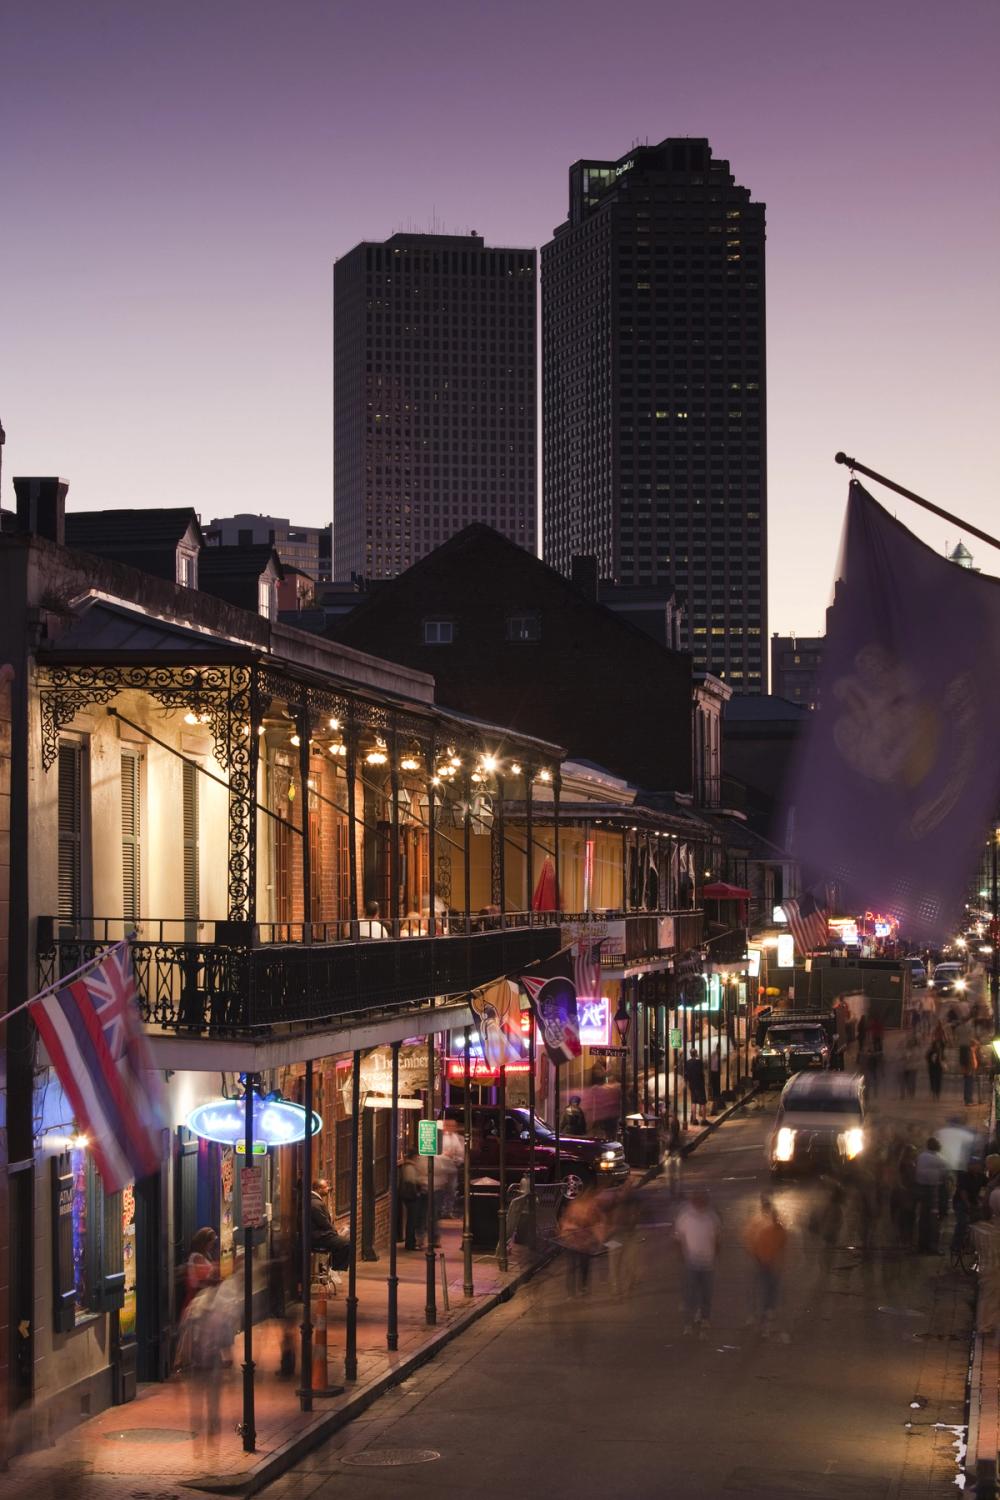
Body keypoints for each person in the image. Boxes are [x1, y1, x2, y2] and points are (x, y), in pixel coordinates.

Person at [743, 1195, 789, 1340]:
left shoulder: (776, 1229)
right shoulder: (761, 1226)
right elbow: (751, 1241)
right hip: (763, 1264)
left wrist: (778, 1262)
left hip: (770, 1265)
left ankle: (765, 1318)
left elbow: (782, 1247)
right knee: (763, 1291)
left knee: (768, 1292)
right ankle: (763, 1318)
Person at [675, 1189, 721, 1335]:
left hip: (707, 1264)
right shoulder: (685, 1216)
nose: (700, 1202)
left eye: (703, 1199)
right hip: (692, 1263)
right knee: (691, 1295)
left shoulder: (711, 1217)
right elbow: (678, 1237)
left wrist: (714, 1256)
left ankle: (705, 1318)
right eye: (697, 1199)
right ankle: (688, 1323)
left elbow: (718, 1238)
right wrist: (682, 1255)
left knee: (706, 1294)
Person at [560, 1185, 602, 1297]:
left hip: (583, 1243)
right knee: (574, 1268)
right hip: (574, 1242)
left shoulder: (590, 1208)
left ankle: (580, 1288)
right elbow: (567, 1222)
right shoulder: (575, 1207)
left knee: (582, 1266)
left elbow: (595, 1223)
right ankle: (574, 1290)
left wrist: (598, 1237)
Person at [914, 1138, 949, 1254]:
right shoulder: (938, 1158)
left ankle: (921, 1245)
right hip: (934, 1190)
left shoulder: (922, 1156)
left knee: (923, 1218)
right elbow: (944, 1174)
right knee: (934, 1219)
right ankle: (933, 1246)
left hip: (921, 1189)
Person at [310, 1179, 351, 1270]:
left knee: (344, 1236)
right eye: (325, 1187)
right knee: (346, 1244)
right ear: (318, 1189)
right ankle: (334, 1269)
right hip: (318, 1237)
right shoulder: (315, 1203)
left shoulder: (315, 1201)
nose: (328, 1189)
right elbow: (324, 1223)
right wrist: (336, 1233)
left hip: (321, 1234)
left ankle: (327, 1266)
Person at [182, 1226, 219, 1313]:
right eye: (211, 1243)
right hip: (197, 1299)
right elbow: (204, 1280)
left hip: (202, 1298)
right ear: (204, 1243)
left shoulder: (205, 1255)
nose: (212, 1246)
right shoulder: (197, 1257)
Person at [400, 1150, 428, 1250]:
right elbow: (410, 1182)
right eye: (417, 1157)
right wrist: (417, 1192)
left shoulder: (409, 1166)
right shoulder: (409, 1167)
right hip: (411, 1197)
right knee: (412, 1221)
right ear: (414, 1157)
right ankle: (410, 1243)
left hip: (410, 1197)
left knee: (413, 1220)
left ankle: (411, 1242)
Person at [660, 1110, 683, 1196]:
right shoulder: (674, 1125)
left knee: (671, 1174)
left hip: (671, 1153)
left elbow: (670, 1140)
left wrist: (666, 1151)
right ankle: (676, 1190)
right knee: (676, 1174)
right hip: (676, 1152)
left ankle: (673, 1191)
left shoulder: (672, 1127)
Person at [684, 1046, 708, 1127]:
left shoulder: (687, 1062)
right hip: (699, 1084)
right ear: (696, 1053)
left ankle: (694, 1119)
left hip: (692, 1084)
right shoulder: (699, 1062)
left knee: (693, 1102)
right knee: (703, 1102)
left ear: (690, 1054)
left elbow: (686, 1074)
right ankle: (704, 1119)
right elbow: (702, 1073)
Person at [900, 1029, 920, 1098]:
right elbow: (902, 1056)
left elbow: (917, 1057)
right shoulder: (906, 1049)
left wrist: (910, 1057)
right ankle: (905, 1093)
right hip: (906, 1067)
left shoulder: (916, 1049)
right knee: (905, 1081)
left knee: (912, 1081)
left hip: (913, 1067)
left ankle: (911, 1093)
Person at [926, 1035, 945, 1100]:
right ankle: (935, 1093)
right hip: (933, 1068)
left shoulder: (940, 1051)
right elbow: (927, 1057)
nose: (938, 1045)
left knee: (937, 1081)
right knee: (934, 1081)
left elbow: (943, 1059)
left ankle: (937, 1093)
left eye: (938, 1044)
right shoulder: (931, 1051)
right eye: (937, 1044)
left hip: (937, 1068)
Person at [709, 1042, 722, 1112]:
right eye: (719, 1049)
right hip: (713, 1072)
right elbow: (711, 1064)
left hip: (716, 1073)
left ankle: (717, 1101)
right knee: (715, 1087)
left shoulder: (718, 1055)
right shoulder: (714, 1054)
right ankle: (715, 1101)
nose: (720, 1050)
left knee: (717, 1087)